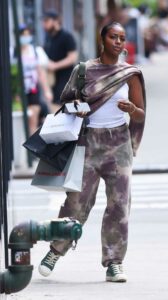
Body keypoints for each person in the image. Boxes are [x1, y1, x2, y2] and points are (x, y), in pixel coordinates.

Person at [38, 22, 146, 283]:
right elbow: (66, 102)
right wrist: (79, 107)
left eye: (122, 38)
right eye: (113, 37)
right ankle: (55, 251)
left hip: (118, 144)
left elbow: (141, 113)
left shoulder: (130, 73)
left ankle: (114, 262)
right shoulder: (84, 70)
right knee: (76, 203)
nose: (118, 42)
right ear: (103, 39)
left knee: (119, 205)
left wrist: (131, 109)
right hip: (87, 143)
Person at [17, 25, 53, 134]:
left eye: (28, 35)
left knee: (33, 121)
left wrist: (47, 90)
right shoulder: (12, 52)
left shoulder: (35, 51)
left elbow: (40, 73)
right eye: (23, 35)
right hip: (18, 92)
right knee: (20, 121)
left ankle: (30, 149)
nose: (26, 37)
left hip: (33, 90)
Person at [41, 9, 78, 112]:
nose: (44, 24)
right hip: (52, 79)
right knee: (54, 106)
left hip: (66, 78)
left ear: (56, 21)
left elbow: (73, 57)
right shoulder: (48, 38)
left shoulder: (66, 36)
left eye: (47, 21)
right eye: (43, 21)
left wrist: (55, 65)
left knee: (68, 107)